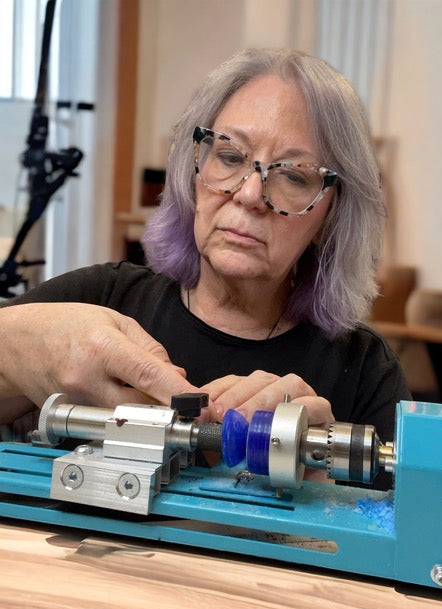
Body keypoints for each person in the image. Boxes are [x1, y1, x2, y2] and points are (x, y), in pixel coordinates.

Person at [0, 48, 410, 487]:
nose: (251, 194)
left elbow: (424, 533)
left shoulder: (364, 371)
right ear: (192, 169)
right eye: (230, 158)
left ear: (330, 212)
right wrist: (14, 349)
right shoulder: (101, 298)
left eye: (294, 176)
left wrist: (323, 494)